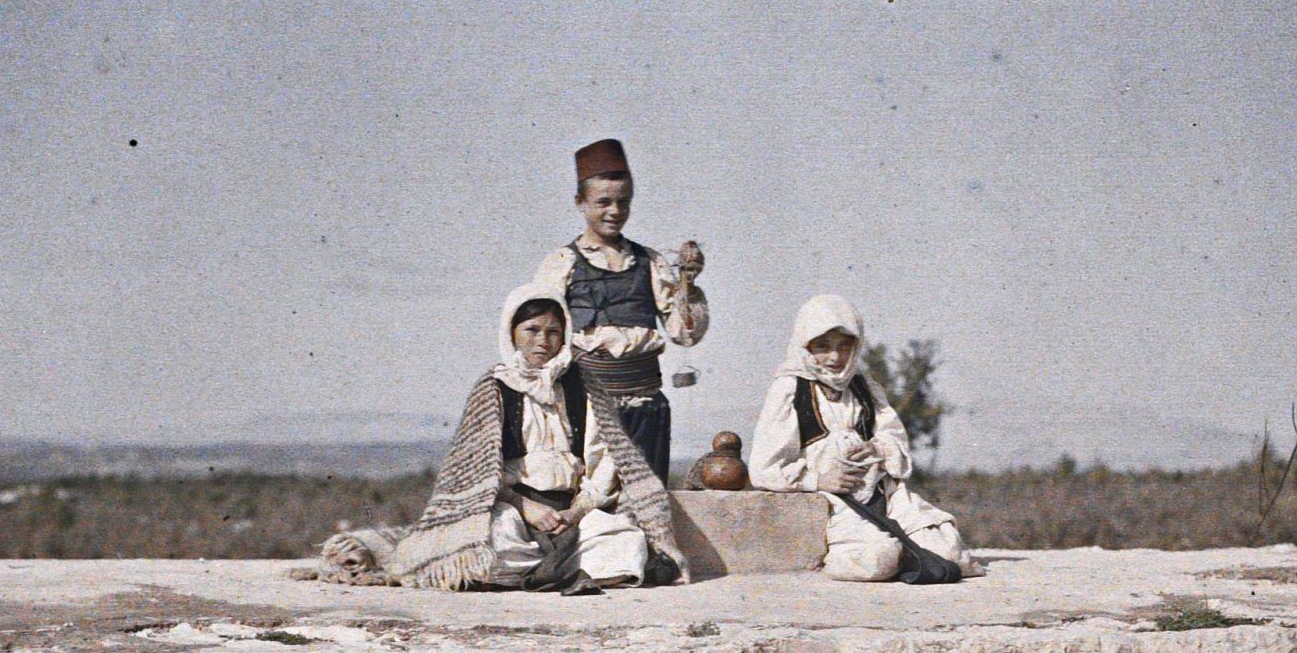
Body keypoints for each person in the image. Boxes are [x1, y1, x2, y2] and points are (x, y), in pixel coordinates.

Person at [318, 285, 687, 592]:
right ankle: (553, 572)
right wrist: (527, 508)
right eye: (532, 330)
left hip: (571, 509)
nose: (543, 340)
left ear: (564, 334)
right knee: (490, 544)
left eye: (553, 331)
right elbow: (476, 471)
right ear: (512, 332)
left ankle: (543, 572)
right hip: (514, 506)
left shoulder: (583, 385)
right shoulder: (493, 388)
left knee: (624, 540)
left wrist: (576, 511)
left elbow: (606, 458)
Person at [747, 294, 972, 584]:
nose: (835, 357)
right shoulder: (789, 389)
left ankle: (908, 548)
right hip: (832, 501)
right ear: (805, 346)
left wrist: (876, 447)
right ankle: (899, 552)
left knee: (950, 552)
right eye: (823, 347)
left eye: (844, 346)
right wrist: (819, 479)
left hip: (882, 492)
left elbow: (894, 437)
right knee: (876, 559)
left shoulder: (864, 387)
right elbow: (765, 467)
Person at [534, 138, 708, 484]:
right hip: (586, 406)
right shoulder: (561, 264)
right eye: (603, 202)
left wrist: (688, 285)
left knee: (647, 502)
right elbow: (541, 333)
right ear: (580, 203)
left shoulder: (651, 261)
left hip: (646, 409)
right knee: (589, 499)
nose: (614, 211)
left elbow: (684, 334)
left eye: (623, 202)